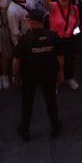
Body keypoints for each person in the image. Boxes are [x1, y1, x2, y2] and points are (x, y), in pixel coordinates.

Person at [14, 9, 63, 141]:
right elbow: (60, 57)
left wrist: (15, 75)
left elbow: (16, 60)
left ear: (32, 22)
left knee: (27, 103)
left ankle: (25, 130)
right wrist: (61, 72)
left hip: (30, 76)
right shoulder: (53, 36)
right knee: (51, 101)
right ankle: (55, 127)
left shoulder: (24, 39)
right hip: (49, 75)